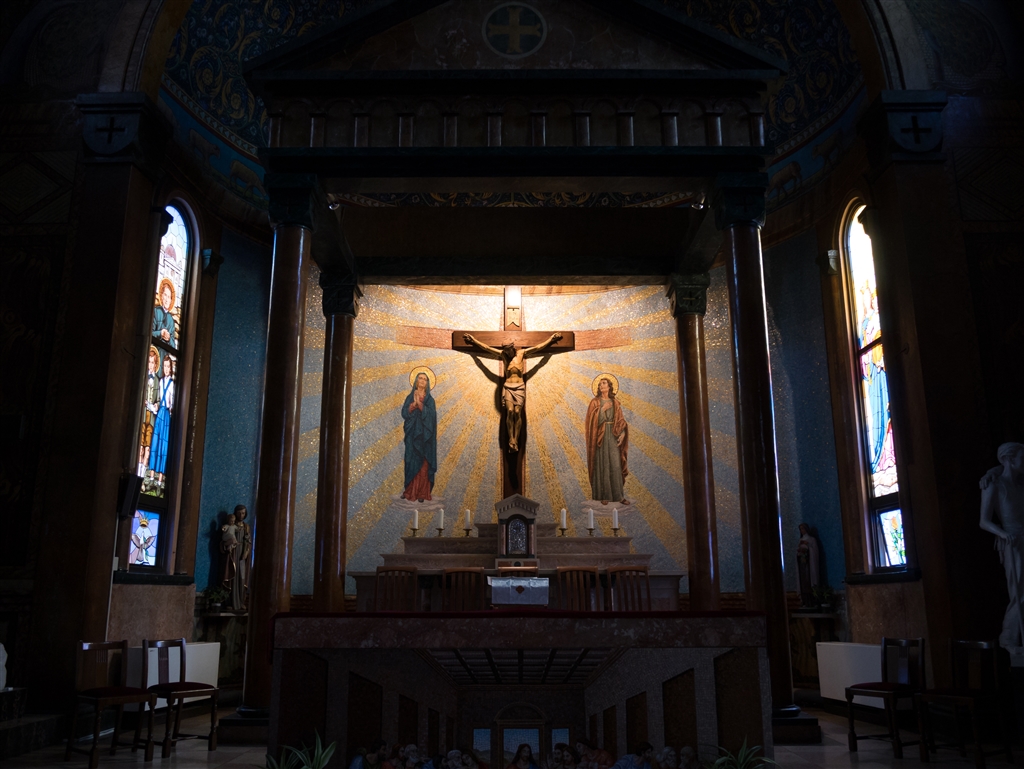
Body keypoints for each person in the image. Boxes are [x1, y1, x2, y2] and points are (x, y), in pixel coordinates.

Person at [463, 332, 563, 453]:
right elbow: (487, 348)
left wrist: (551, 339)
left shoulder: (521, 353)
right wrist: (473, 341)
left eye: (508, 350)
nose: (507, 353)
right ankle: (512, 439)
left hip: (519, 387)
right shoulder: (503, 356)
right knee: (510, 411)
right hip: (508, 387)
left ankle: (517, 438)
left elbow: (537, 348)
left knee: (517, 412)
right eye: (505, 351)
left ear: (512, 348)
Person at [980, 442, 1024, 648]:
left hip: (1021, 539)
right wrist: (1004, 534)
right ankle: (1008, 636)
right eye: (1022, 458)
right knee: (1019, 593)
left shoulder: (1019, 486)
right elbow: (984, 521)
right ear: (1009, 459)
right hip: (1012, 543)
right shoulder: (994, 485)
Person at [585, 377, 629, 505]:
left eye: (603, 383)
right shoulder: (595, 402)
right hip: (601, 436)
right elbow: (590, 421)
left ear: (609, 386)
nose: (601, 385)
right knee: (603, 464)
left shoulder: (615, 403)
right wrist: (602, 410)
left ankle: (619, 496)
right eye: (599, 384)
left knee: (615, 464)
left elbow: (621, 421)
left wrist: (623, 433)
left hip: (613, 435)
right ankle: (604, 495)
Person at [402, 371, 438, 502]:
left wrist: (421, 405)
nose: (422, 380)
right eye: (420, 378)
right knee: (410, 460)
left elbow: (432, 417)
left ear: (427, 383)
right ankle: (409, 491)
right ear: (416, 381)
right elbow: (404, 413)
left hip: (425, 437)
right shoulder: (410, 397)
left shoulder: (430, 400)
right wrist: (413, 405)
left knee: (423, 464)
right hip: (412, 435)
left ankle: (422, 493)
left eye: (425, 379)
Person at [150, 354, 175, 491]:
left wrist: (170, 410)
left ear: (171, 368)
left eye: (168, 366)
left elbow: (172, 403)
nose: (166, 369)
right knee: (155, 442)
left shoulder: (173, 384)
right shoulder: (160, 382)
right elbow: (159, 398)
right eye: (164, 366)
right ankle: (151, 477)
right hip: (159, 413)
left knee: (163, 446)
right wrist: (156, 405)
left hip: (166, 415)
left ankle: (160, 482)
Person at [137, 346, 161, 478]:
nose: (151, 365)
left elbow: (158, 400)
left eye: (153, 362)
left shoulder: (157, 380)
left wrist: (156, 405)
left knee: (147, 449)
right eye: (149, 362)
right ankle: (136, 475)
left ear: (156, 364)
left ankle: (141, 478)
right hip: (142, 416)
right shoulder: (143, 377)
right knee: (140, 448)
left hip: (151, 418)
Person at [796, 522, 821, 607]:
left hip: (809, 565)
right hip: (802, 565)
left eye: (803, 528)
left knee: (810, 581)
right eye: (800, 529)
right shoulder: (800, 540)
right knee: (803, 583)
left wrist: (808, 549)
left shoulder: (811, 539)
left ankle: (813, 600)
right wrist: (799, 552)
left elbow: (815, 552)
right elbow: (798, 552)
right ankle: (805, 601)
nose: (802, 530)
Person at [233, 504, 252, 610]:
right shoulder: (231, 525)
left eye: (243, 513)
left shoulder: (246, 527)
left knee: (242, 577)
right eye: (239, 513)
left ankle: (240, 601)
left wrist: (246, 552)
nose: (241, 515)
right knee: (233, 574)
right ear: (235, 513)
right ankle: (230, 601)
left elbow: (248, 541)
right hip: (233, 553)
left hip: (242, 555)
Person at [152, 276, 177, 347]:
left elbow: (173, 346)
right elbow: (149, 332)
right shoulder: (156, 311)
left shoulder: (171, 320)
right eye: (165, 295)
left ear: (171, 300)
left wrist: (169, 339)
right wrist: (160, 333)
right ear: (161, 296)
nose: (166, 299)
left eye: (169, 297)